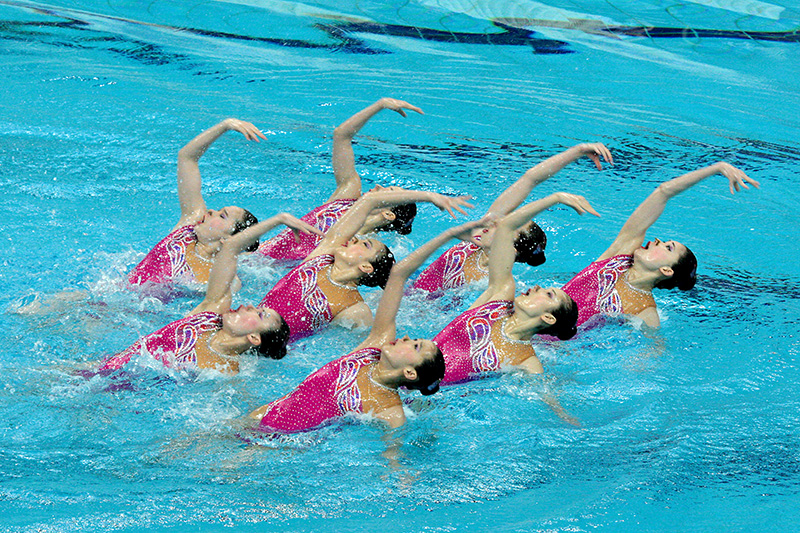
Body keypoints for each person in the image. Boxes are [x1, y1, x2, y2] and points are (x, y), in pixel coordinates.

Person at [248, 218, 486, 433]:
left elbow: (393, 455)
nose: (405, 338)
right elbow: (399, 274)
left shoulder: (390, 412)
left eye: (415, 346)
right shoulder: (371, 350)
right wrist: (448, 235)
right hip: (257, 418)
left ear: (410, 373)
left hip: (280, 446)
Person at [99, 214, 319, 375]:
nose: (249, 305)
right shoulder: (209, 315)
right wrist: (279, 219)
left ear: (253, 338)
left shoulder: (227, 373)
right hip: (99, 369)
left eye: (259, 314)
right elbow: (231, 247)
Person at [562, 161, 759, 329]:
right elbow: (663, 192)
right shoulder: (618, 257)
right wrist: (717, 167)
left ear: (666, 270)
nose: (657, 240)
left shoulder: (645, 311)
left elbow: (653, 350)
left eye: (667, 247)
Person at [259, 188, 472, 341]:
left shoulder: (355, 309)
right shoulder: (319, 259)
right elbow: (368, 201)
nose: (353, 239)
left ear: (366, 267)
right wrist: (428, 196)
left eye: (364, 244)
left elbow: (363, 346)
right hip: (246, 324)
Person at [433, 193, 598, 386]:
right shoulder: (498, 300)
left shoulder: (527, 361)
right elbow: (505, 227)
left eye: (548, 294)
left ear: (548, 318)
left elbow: (546, 397)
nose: (537, 286)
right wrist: (555, 198)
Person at [411, 143, 612, 292]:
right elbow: (530, 178)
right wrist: (577, 151)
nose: (498, 222)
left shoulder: (489, 283)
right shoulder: (480, 236)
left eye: (507, 227)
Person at [255, 98, 428, 262]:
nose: (377, 186)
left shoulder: (358, 250)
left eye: (387, 191)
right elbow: (341, 135)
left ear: (388, 214)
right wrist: (380, 105)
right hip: (253, 256)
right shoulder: (346, 198)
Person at [127, 118, 265, 290]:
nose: (211, 211)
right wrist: (226, 125)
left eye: (222, 216)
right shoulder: (189, 226)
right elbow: (187, 157)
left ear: (228, 239)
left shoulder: (224, 280)